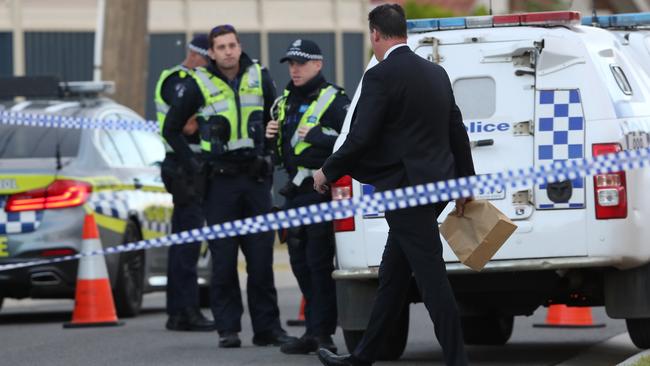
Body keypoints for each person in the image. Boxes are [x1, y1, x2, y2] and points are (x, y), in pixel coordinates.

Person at [313, 4, 475, 366]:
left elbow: (360, 139)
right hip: (435, 191)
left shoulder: (380, 76)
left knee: (433, 282)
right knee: (393, 277)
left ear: (375, 34)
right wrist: (465, 185)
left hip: (405, 193)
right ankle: (362, 357)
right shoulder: (436, 73)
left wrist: (327, 170)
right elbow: (456, 132)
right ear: (404, 31)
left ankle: (458, 361)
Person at [162, 24, 295, 349]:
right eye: (220, 47)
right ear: (212, 52)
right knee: (223, 261)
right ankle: (228, 328)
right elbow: (171, 129)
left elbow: (273, 118)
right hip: (219, 182)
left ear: (239, 46)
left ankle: (267, 328)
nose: (227, 51)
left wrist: (269, 155)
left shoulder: (258, 76)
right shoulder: (198, 83)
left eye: (231, 45)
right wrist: (194, 165)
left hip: (255, 179)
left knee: (261, 258)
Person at [265, 39, 350, 355]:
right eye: (291, 63)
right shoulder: (284, 100)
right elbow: (280, 153)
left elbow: (351, 141)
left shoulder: (336, 100)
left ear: (318, 64)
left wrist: (317, 136)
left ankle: (323, 334)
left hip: (319, 193)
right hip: (293, 194)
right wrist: (269, 138)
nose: (295, 69)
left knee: (317, 264)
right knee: (299, 263)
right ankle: (313, 331)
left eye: (301, 63)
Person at [156, 34, 215, 332]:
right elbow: (187, 125)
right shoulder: (178, 80)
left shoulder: (195, 81)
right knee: (187, 243)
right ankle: (186, 311)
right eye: (208, 58)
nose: (210, 65)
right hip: (183, 166)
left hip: (190, 165)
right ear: (196, 55)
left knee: (185, 241)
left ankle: (179, 311)